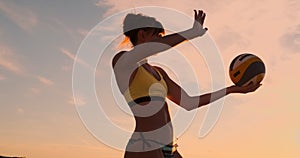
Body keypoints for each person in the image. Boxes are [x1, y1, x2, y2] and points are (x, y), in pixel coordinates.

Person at [112, 10, 261, 158]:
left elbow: (190, 103)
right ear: (142, 35)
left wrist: (231, 90)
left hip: (169, 149)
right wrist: (192, 33)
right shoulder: (122, 62)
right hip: (145, 145)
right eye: (157, 37)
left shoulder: (159, 72)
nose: (162, 41)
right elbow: (152, 48)